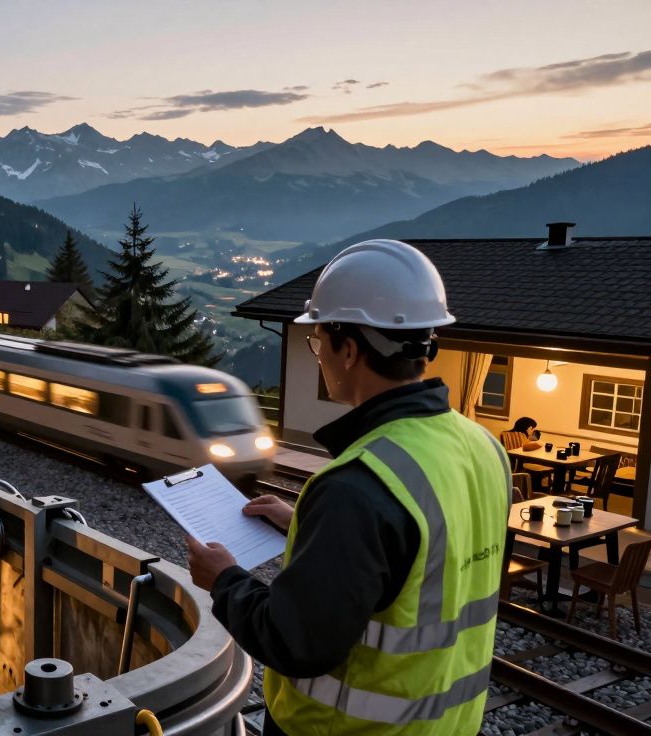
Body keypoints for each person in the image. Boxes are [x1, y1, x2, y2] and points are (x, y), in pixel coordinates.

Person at [186, 240, 511, 735]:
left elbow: (295, 642)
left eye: (318, 342)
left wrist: (225, 579)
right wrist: (309, 527)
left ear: (350, 349)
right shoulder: (486, 449)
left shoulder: (355, 486)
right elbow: (429, 560)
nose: (318, 356)